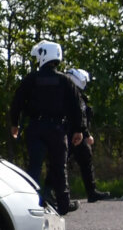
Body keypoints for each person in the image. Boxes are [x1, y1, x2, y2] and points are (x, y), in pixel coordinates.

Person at [9, 40, 83, 215]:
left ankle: (30, 204)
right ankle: (63, 206)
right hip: (57, 130)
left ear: (43, 56)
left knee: (34, 167)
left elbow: (17, 102)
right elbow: (76, 106)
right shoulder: (65, 80)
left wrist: (15, 123)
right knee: (59, 167)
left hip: (36, 127)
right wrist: (79, 129)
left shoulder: (31, 79)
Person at [65, 68, 109, 202]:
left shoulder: (73, 94)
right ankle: (55, 194)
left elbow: (82, 116)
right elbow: (80, 116)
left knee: (85, 159)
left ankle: (91, 192)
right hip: (70, 134)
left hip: (75, 133)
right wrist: (86, 134)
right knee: (60, 163)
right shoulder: (72, 95)